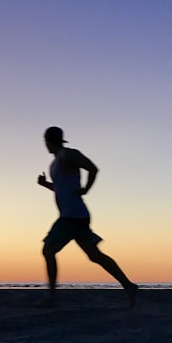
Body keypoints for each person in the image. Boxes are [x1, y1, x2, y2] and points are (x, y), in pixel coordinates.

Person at [37, 126, 138, 307]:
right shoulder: (55, 163)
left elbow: (93, 169)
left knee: (48, 250)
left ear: (49, 140)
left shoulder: (68, 155)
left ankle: (51, 298)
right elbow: (61, 188)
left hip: (72, 216)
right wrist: (46, 185)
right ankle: (129, 286)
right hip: (76, 215)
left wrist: (86, 189)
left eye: (46, 141)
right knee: (95, 255)